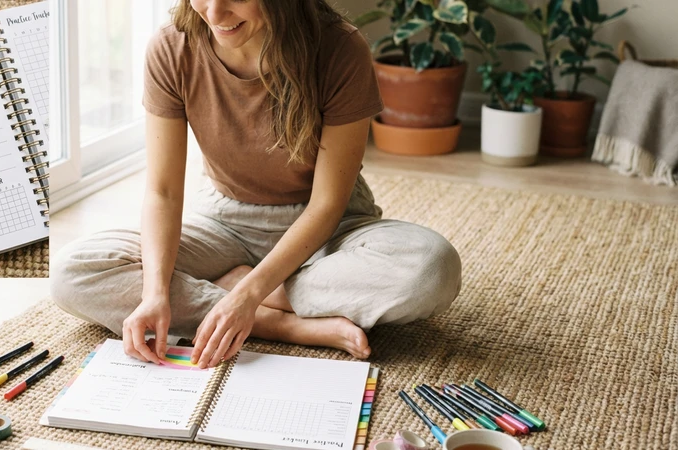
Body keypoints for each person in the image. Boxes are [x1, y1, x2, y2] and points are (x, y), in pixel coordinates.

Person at [52, 0, 462, 370]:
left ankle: (249, 295)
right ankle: (276, 322)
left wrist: (248, 291)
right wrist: (155, 293)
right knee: (74, 271)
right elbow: (163, 192)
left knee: (431, 268)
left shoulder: (339, 48)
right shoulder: (172, 46)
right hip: (224, 222)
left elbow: (326, 204)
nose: (214, 14)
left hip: (330, 226)